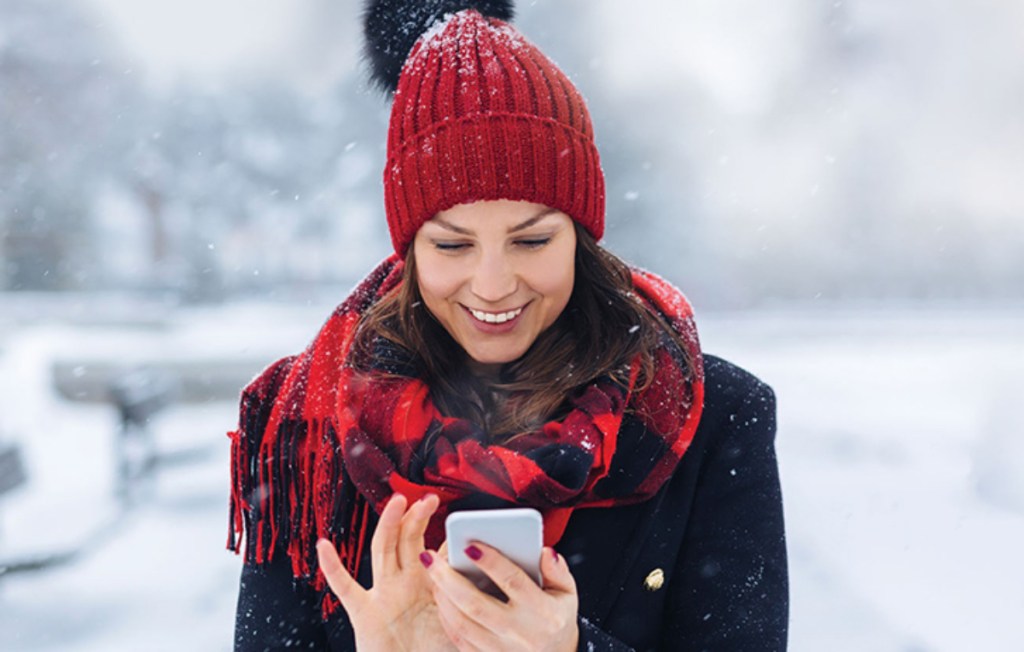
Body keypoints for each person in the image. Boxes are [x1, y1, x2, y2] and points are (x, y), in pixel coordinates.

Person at [228, 1, 788, 650]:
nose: (493, 286)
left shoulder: (715, 419)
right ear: (407, 247)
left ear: (581, 236)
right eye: (451, 246)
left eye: (530, 242)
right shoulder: (307, 432)